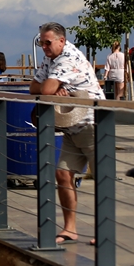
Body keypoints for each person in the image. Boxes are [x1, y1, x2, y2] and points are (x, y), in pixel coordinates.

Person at [29, 21, 105, 245]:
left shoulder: (67, 58)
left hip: (92, 123)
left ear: (62, 41)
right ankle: (69, 228)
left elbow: (44, 89)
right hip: (72, 125)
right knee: (63, 174)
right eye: (41, 43)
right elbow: (35, 87)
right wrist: (51, 89)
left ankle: (104, 231)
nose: (44, 46)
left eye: (48, 42)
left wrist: (53, 89)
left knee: (103, 178)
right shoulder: (51, 57)